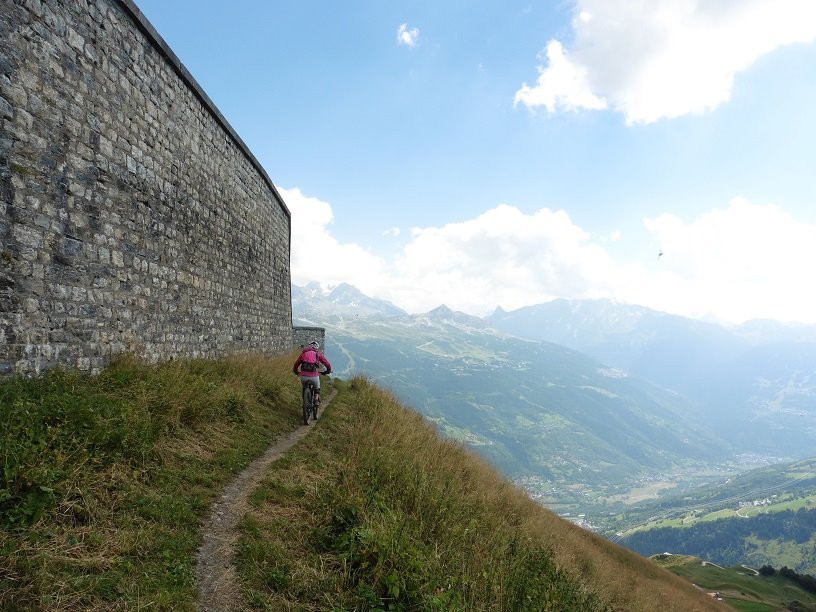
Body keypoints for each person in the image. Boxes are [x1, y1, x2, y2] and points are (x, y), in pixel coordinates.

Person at [292, 341, 331, 405]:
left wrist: (296, 372)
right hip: (314, 376)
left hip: (303, 376)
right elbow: (327, 364)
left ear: (309, 347)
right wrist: (328, 371)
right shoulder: (318, 354)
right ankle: (316, 399)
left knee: (304, 387)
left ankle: (305, 401)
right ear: (316, 348)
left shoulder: (303, 353)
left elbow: (296, 364)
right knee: (317, 387)